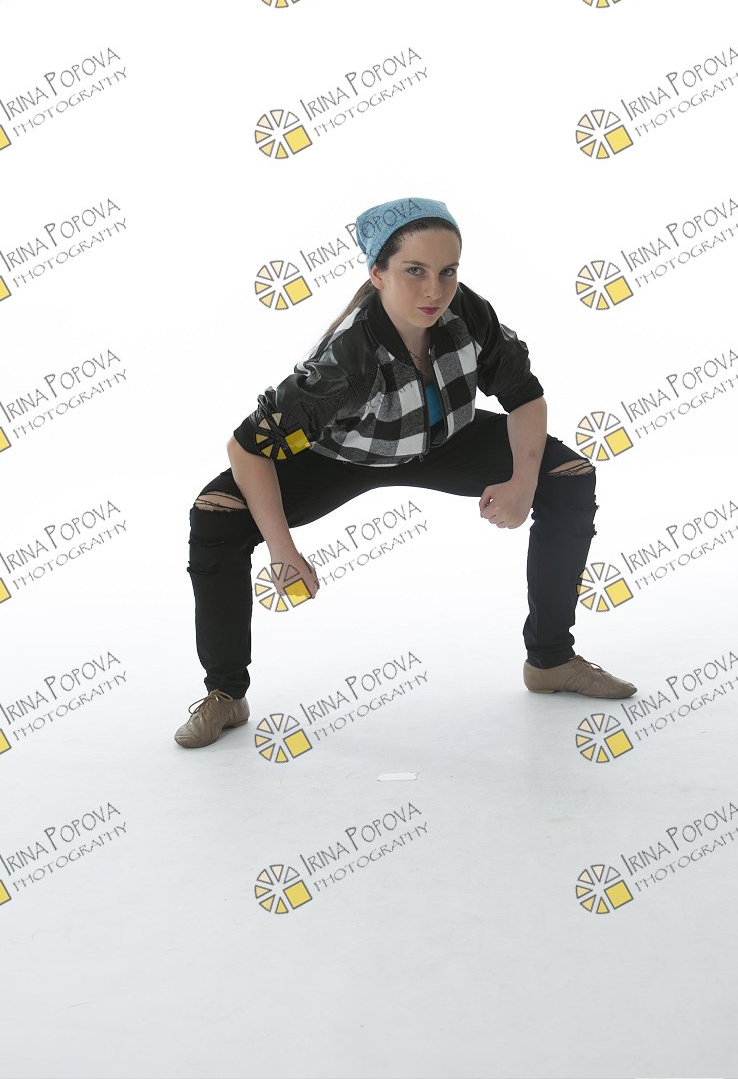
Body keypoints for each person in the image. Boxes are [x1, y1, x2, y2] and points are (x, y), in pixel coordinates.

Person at [176, 196, 637, 748]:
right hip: (341, 456)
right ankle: (226, 694)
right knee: (216, 515)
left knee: (568, 477)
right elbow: (248, 447)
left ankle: (551, 660)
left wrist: (522, 483)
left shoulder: (467, 314)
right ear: (377, 274)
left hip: (443, 440)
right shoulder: (346, 360)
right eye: (414, 271)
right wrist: (282, 548)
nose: (433, 291)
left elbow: (525, 397)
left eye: (447, 271)